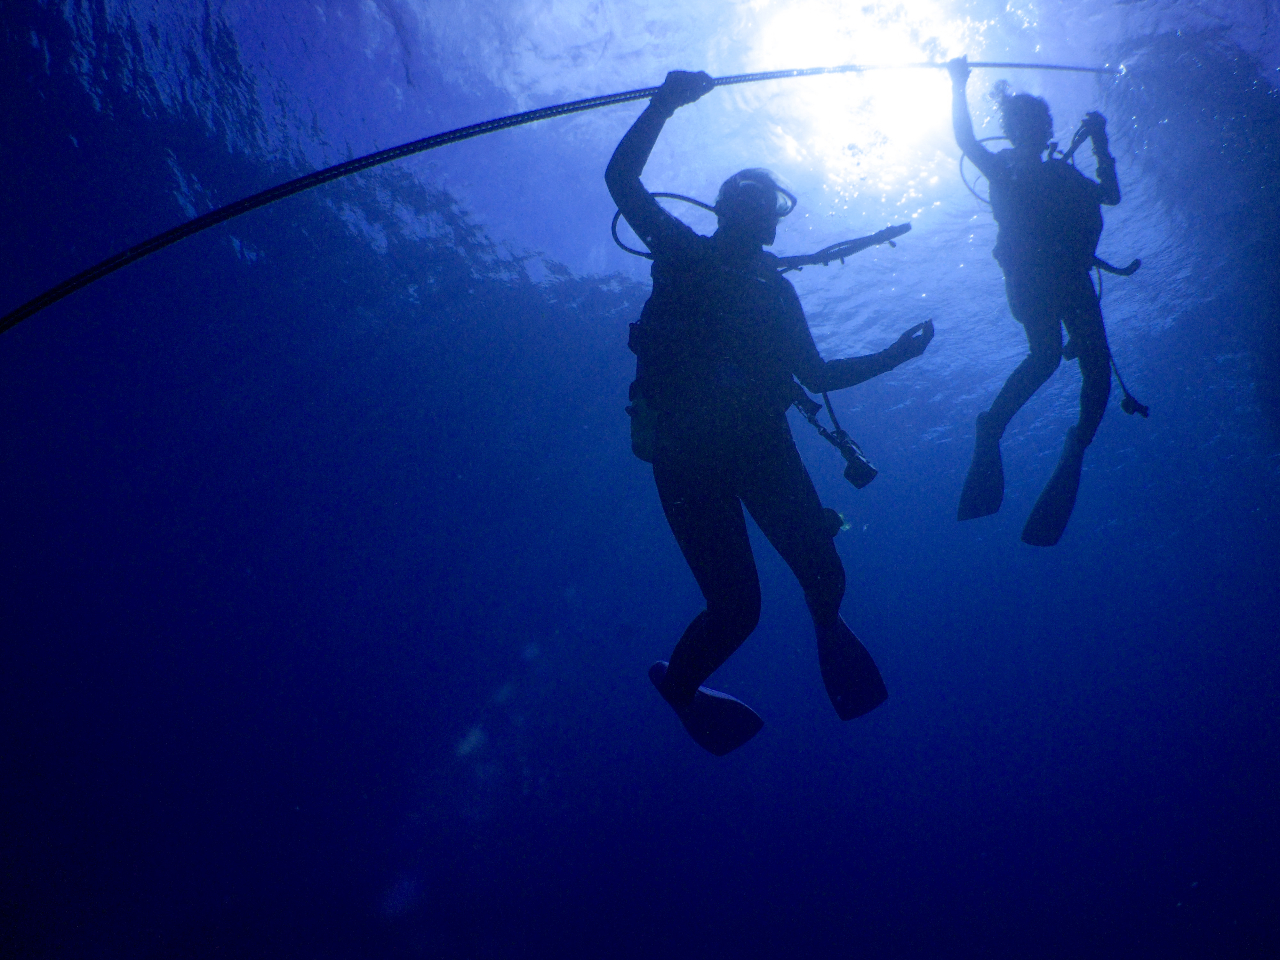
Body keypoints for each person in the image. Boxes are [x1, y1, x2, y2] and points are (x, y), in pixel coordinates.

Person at [606, 70, 934, 755]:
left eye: (766, 202)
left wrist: (893, 358)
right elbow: (622, 182)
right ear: (727, 210)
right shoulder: (682, 252)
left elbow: (813, 373)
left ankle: (820, 631)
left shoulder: (774, 294)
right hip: (686, 452)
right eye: (746, 198)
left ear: (775, 217)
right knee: (737, 610)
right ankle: (680, 686)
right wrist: (663, 103)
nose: (758, 210)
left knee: (826, 572)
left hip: (759, 445)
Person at [947, 56, 1122, 546]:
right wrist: (957, 87)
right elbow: (965, 141)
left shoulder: (1061, 176)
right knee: (1052, 358)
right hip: (1039, 280)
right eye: (1026, 123)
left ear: (1044, 130)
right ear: (1017, 128)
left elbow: (1109, 195)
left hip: (1061, 279)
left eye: (1038, 124)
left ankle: (1068, 444)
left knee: (1087, 368)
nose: (1032, 131)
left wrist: (1102, 143)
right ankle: (996, 428)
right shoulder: (1003, 169)